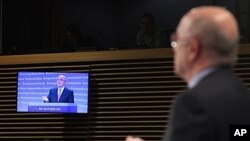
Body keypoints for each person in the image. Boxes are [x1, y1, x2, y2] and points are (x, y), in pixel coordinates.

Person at [126, 6, 250, 141]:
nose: (174, 49)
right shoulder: (244, 96)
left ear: (193, 48)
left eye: (176, 41)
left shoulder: (191, 103)